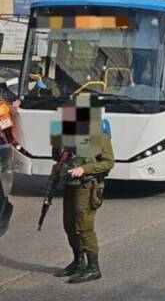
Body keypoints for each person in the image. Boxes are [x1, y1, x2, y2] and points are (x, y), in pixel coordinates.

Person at [52, 94, 114, 284]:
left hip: (87, 185)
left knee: (84, 227)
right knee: (69, 225)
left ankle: (93, 267)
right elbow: (57, 157)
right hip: (70, 184)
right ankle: (78, 262)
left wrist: (84, 169)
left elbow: (108, 162)